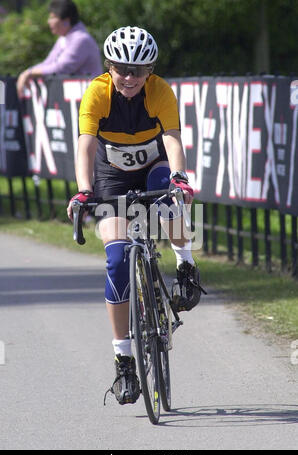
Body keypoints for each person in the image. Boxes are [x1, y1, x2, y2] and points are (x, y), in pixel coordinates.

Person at [67, 26, 202, 405]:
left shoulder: (159, 90)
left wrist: (180, 178)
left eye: (138, 71)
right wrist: (83, 190)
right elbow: (86, 144)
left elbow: (172, 137)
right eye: (121, 68)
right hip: (111, 175)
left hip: (155, 166)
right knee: (115, 259)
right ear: (109, 66)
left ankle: (186, 264)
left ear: (150, 71)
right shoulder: (98, 92)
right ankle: (124, 359)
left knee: (171, 202)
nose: (129, 77)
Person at [16, 0, 102, 98]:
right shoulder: (63, 38)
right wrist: (28, 72)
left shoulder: (81, 39)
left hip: (92, 99)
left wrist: (30, 73)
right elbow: (48, 63)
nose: (48, 21)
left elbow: (61, 68)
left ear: (66, 21)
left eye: (52, 17)